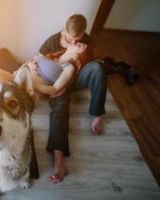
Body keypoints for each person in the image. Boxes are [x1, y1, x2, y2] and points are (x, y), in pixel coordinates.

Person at [39, 14, 107, 183]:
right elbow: (41, 65)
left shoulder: (87, 40)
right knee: (60, 109)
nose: (74, 42)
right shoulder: (52, 41)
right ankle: (59, 160)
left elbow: (87, 66)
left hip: (75, 79)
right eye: (70, 39)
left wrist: (82, 54)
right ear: (65, 29)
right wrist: (65, 56)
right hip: (58, 81)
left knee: (98, 68)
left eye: (78, 39)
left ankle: (97, 114)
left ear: (84, 33)